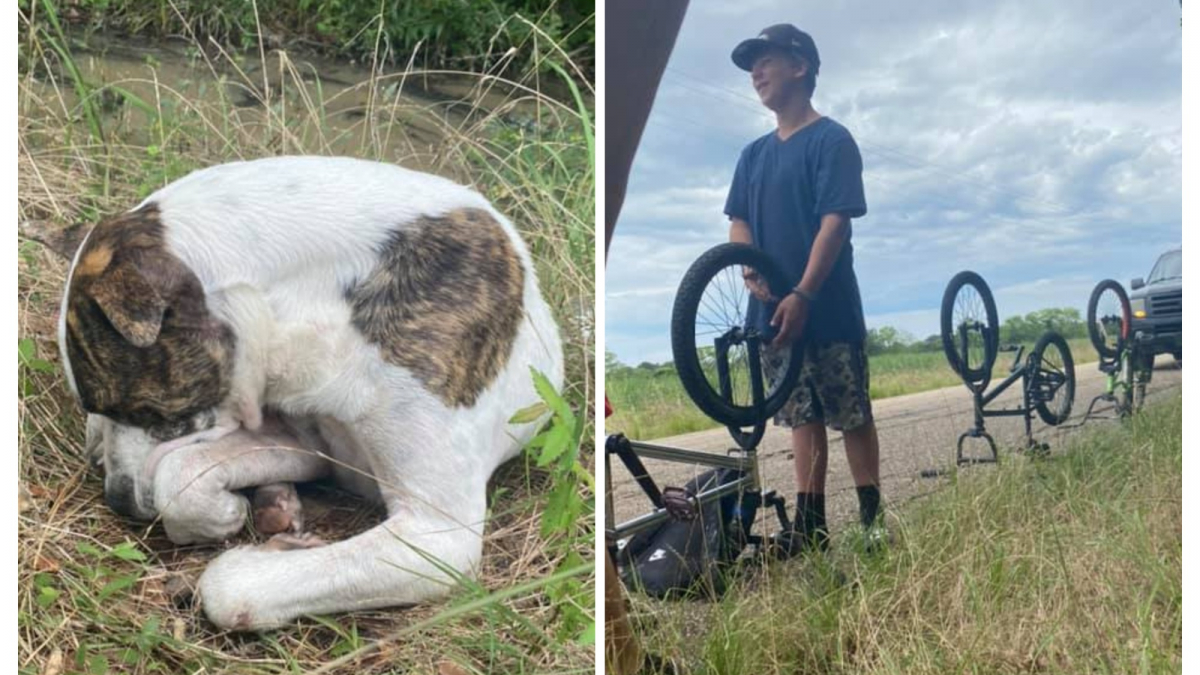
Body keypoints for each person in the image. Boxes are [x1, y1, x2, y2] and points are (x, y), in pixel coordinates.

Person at [723, 24, 885, 554]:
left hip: (827, 307)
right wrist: (748, 269)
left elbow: (834, 223)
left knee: (850, 412)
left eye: (766, 60)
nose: (756, 72)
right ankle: (810, 527)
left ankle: (872, 521)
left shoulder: (832, 140)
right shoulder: (752, 154)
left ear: (801, 66)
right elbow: (739, 222)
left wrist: (805, 293)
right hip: (770, 312)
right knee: (799, 415)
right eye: (752, 65)